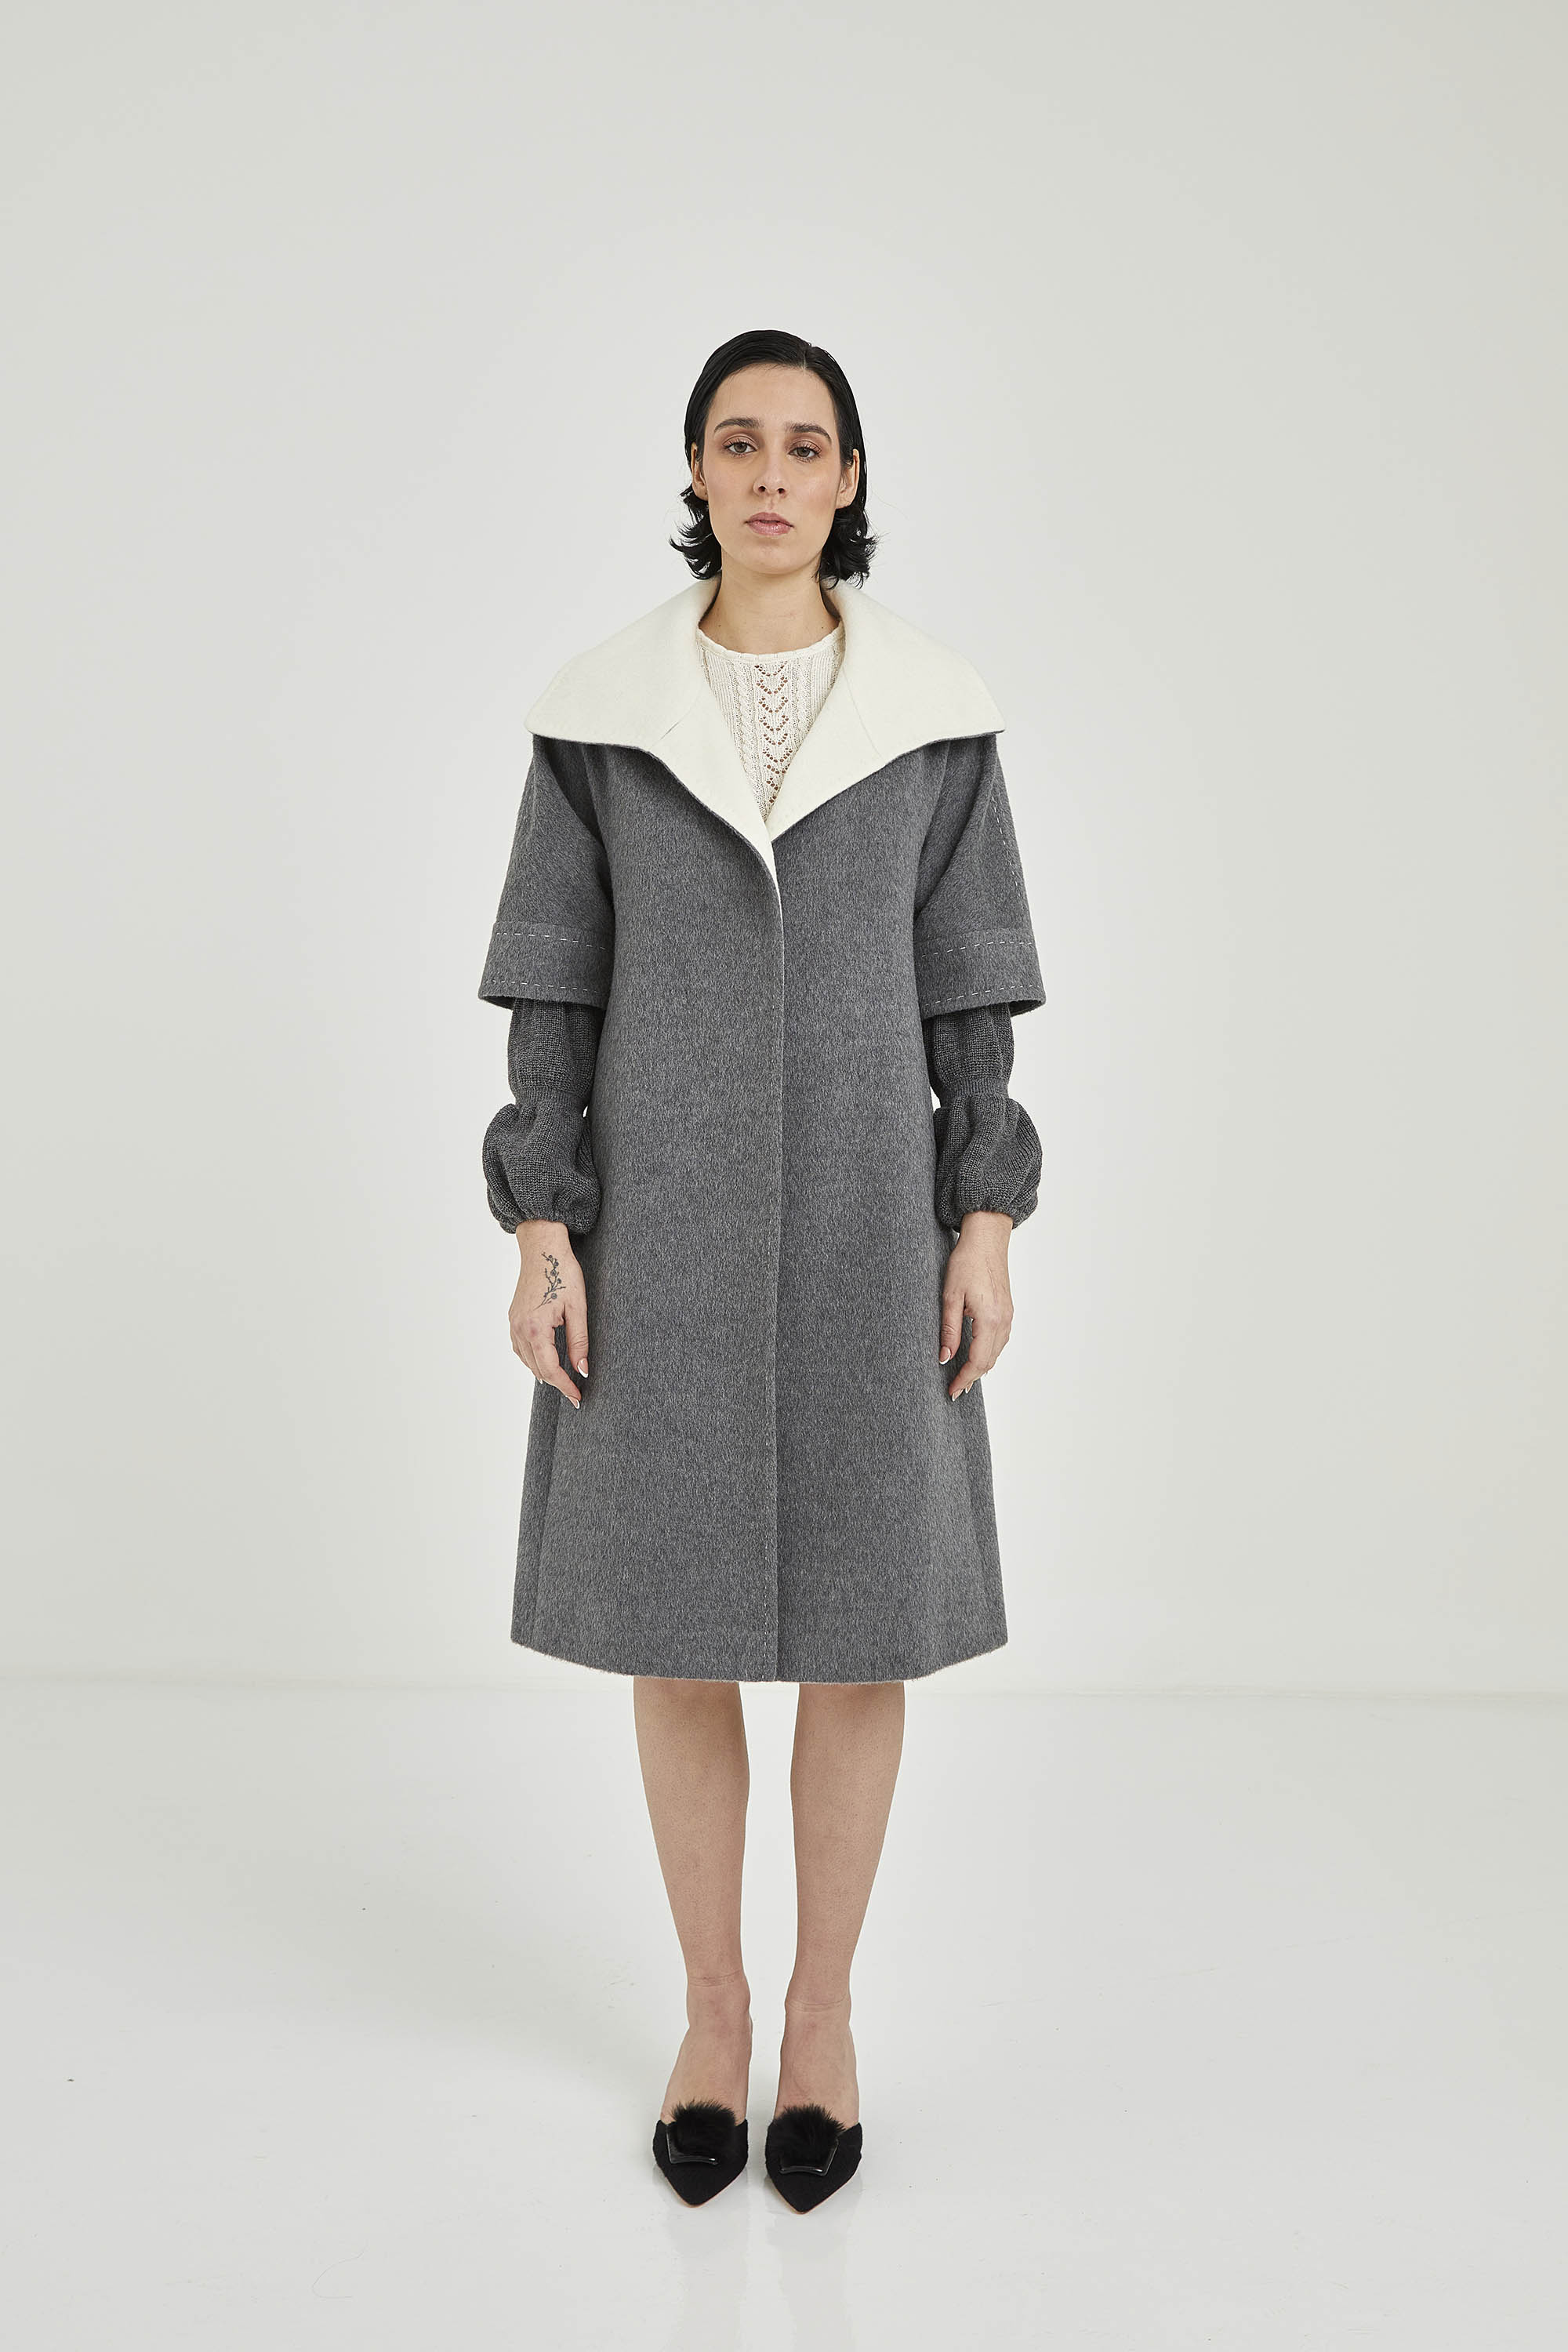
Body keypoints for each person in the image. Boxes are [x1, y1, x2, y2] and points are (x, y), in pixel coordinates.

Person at [477, 328, 1045, 2210]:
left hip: (879, 1224)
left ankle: (823, 2019)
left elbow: (971, 995)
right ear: (696, 474)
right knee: (676, 1623)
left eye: (807, 445)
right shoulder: (600, 717)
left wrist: (984, 1213)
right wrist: (544, 1226)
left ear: (851, 478)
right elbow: (552, 994)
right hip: (658, 1227)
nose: (773, 474)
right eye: (740, 443)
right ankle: (711, 2014)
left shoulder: (936, 716)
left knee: (864, 1629)